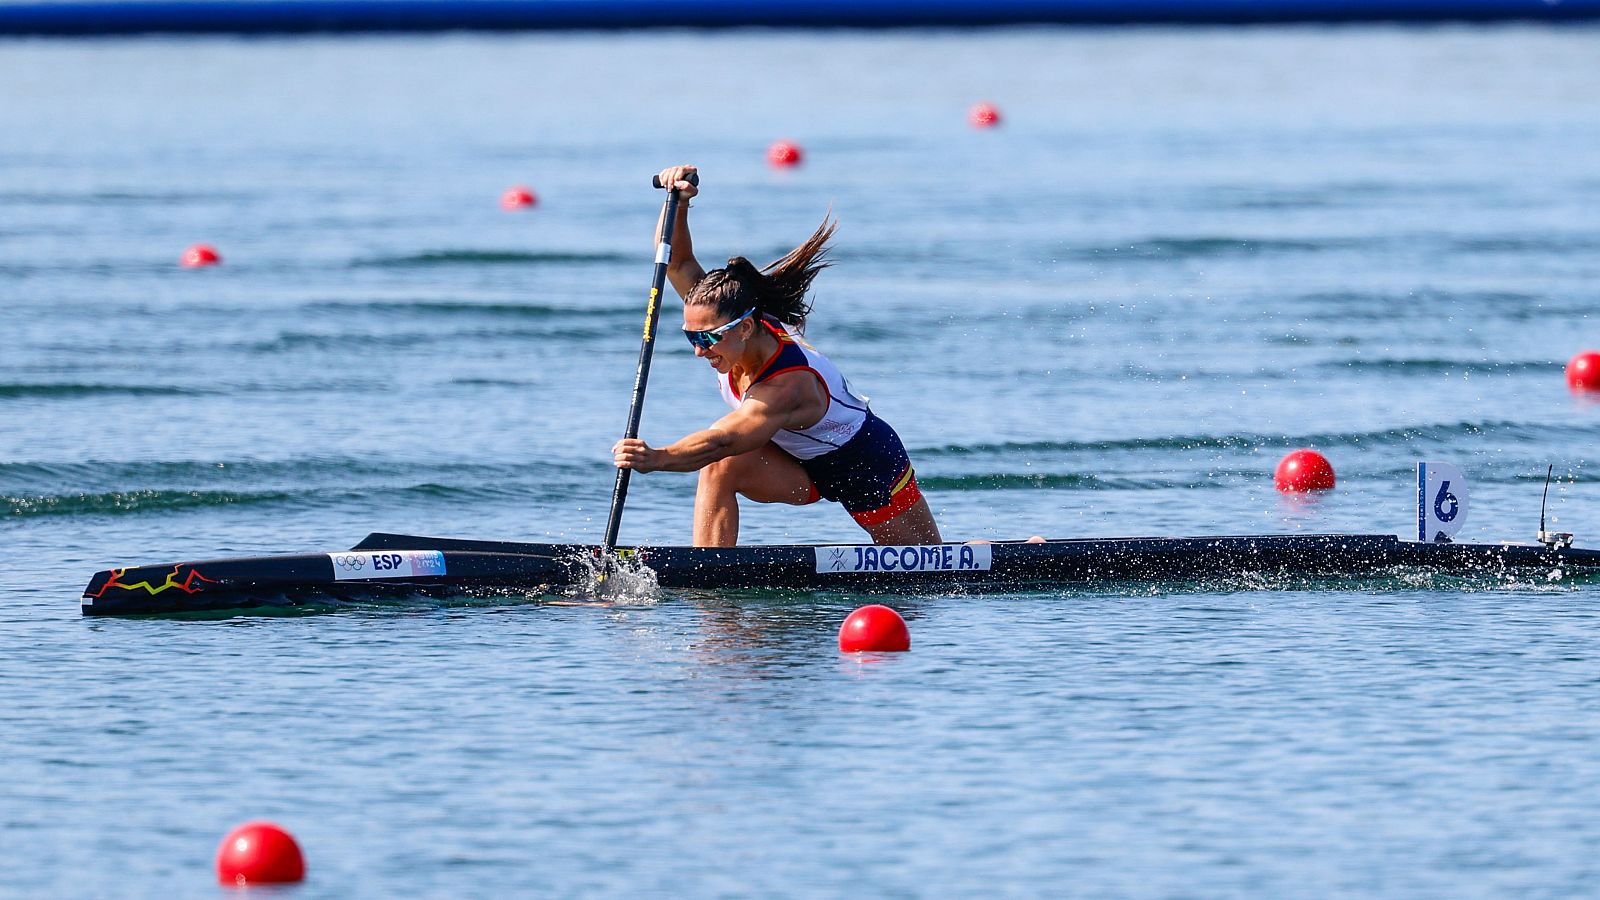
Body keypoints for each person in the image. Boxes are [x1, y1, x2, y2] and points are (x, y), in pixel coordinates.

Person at [611, 164, 942, 548]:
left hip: (864, 466)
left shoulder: (789, 383)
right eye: (691, 337)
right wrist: (678, 204)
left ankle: (1028, 550)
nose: (700, 350)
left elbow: (723, 439)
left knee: (931, 567)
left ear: (746, 328)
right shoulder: (722, 316)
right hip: (795, 463)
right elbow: (679, 263)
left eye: (708, 338)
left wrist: (658, 458)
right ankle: (711, 579)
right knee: (719, 469)